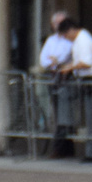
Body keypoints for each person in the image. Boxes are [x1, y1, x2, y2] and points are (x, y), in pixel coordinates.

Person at [58, 17, 92, 162]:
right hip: (88, 80)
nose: (66, 38)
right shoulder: (79, 40)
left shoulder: (84, 40)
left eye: (66, 35)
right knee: (91, 118)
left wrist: (70, 67)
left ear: (71, 31)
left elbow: (86, 63)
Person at [38, 11, 75, 158]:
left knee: (65, 113)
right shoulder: (51, 40)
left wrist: (56, 60)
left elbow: (65, 56)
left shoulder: (70, 40)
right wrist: (53, 61)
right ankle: (65, 147)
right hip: (53, 78)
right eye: (57, 23)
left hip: (66, 78)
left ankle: (61, 147)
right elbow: (43, 60)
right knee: (57, 113)